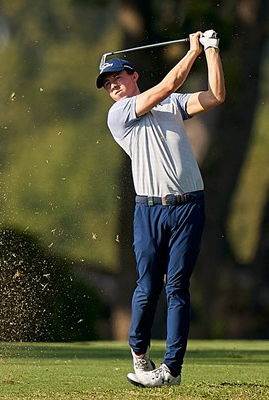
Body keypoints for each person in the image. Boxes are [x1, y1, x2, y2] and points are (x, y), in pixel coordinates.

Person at [96, 30, 225, 387]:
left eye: (117, 78)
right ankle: (140, 355)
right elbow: (167, 85)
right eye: (107, 84)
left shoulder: (170, 104)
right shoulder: (119, 113)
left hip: (189, 207)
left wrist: (212, 51)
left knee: (178, 287)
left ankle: (172, 370)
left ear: (134, 75)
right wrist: (193, 52)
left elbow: (216, 96)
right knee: (148, 285)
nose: (113, 87)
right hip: (149, 210)